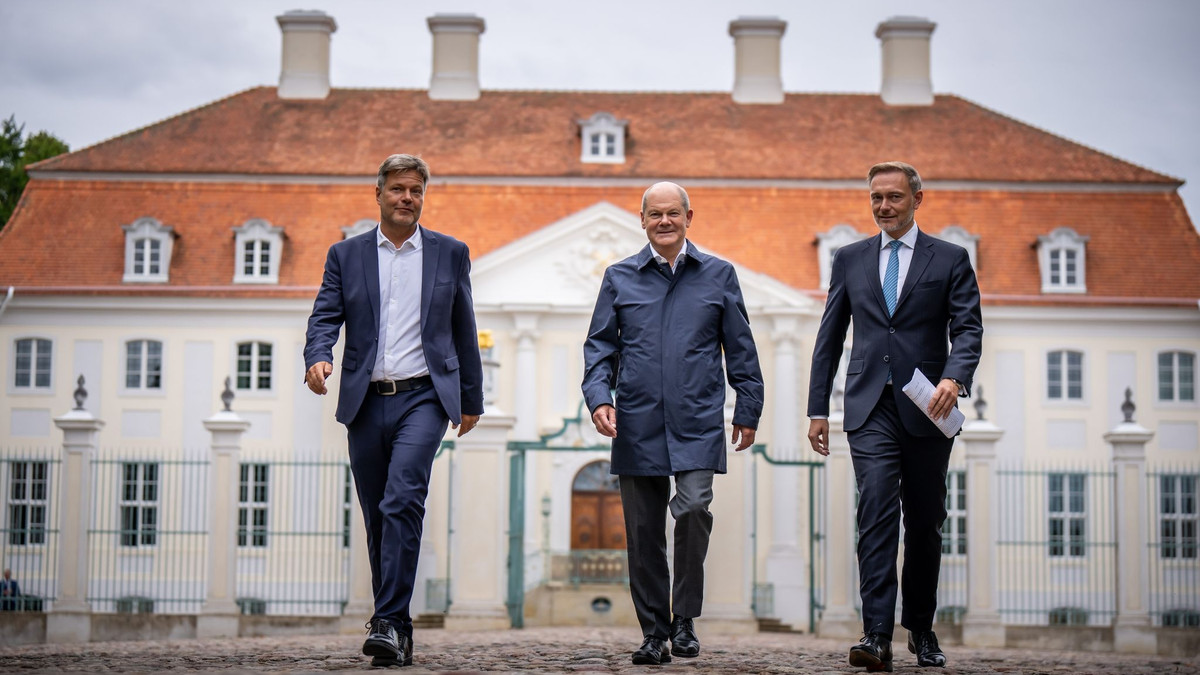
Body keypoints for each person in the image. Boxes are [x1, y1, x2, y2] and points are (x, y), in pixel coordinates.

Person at [304, 154, 484, 668]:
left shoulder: (450, 253)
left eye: (416, 191)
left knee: (403, 497)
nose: (408, 198)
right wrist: (319, 356)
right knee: (377, 514)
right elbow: (325, 314)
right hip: (365, 399)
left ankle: (384, 621)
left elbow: (463, 326)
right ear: (378, 194)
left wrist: (470, 397)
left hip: (425, 396)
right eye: (399, 189)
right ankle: (398, 625)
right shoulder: (347, 254)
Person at [807, 161, 983, 672]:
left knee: (926, 520)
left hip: (928, 406)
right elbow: (830, 335)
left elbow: (968, 328)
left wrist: (954, 377)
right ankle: (876, 633)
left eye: (894, 198)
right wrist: (818, 406)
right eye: (876, 198)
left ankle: (921, 629)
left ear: (917, 199)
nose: (884, 206)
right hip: (867, 406)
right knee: (877, 509)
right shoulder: (849, 258)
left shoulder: (950, 258)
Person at [583, 181, 764, 665]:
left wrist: (748, 407)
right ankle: (654, 632)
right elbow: (600, 347)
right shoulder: (619, 277)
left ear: (689, 217)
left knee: (692, 510)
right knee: (643, 533)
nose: (665, 221)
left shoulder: (719, 275)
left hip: (698, 418)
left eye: (673, 214)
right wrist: (599, 397)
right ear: (641, 220)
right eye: (655, 214)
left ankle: (683, 619)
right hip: (636, 422)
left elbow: (741, 348)